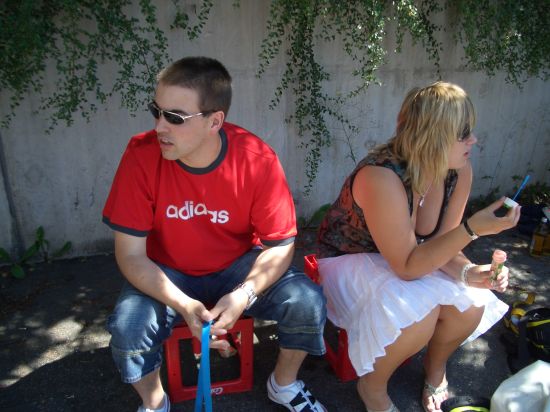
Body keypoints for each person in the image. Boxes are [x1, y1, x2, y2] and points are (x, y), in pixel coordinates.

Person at [102, 56, 327, 412]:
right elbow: (130, 255)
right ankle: (155, 402)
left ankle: (283, 384)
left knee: (307, 302)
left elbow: (281, 246)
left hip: (235, 265)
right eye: (156, 111)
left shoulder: (256, 159)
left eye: (175, 117)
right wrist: (184, 304)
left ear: (214, 121)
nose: (160, 126)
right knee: (129, 326)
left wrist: (244, 295)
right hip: (167, 269)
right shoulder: (141, 155)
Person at [316, 82, 521, 412]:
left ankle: (435, 368)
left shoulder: (458, 171)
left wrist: (469, 272)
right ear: (433, 135)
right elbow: (408, 268)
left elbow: (443, 244)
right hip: (349, 260)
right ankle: (372, 386)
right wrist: (472, 230)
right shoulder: (381, 176)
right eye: (463, 134)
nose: (473, 140)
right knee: (419, 313)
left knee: (472, 302)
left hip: (405, 257)